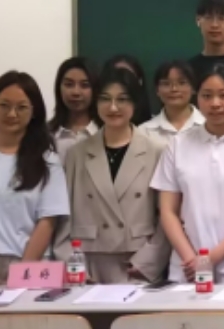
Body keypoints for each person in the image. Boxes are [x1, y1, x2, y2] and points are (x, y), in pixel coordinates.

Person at [151, 65, 224, 283]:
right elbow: (168, 211)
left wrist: (210, 259)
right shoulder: (177, 145)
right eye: (207, 96)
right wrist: (191, 258)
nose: (215, 103)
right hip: (187, 265)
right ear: (197, 97)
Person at [59, 67, 169, 283]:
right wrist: (72, 264)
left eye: (122, 99)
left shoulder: (156, 150)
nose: (113, 107)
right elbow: (64, 218)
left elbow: (166, 216)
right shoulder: (76, 153)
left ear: (135, 103)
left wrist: (147, 263)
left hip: (137, 261)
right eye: (105, 99)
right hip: (90, 262)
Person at [0, 72, 69, 284]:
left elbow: (47, 222)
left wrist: (22, 274)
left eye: (22, 107)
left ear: (34, 112)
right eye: (4, 105)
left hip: (33, 267)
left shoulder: (48, 160)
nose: (12, 114)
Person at [140, 60, 204, 150]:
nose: (174, 89)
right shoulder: (144, 131)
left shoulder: (209, 125)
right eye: (166, 84)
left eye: (182, 83)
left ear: (193, 88)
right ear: (157, 90)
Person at [48, 57, 99, 164]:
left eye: (84, 85)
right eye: (69, 84)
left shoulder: (105, 133)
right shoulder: (47, 135)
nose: (76, 92)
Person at [189, 0, 224, 80]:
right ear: (198, 20)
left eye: (222, 18)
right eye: (208, 17)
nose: (214, 25)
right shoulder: (189, 70)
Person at [102, 55, 152, 126]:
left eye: (127, 76)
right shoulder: (95, 128)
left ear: (140, 82)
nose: (113, 108)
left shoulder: (151, 127)